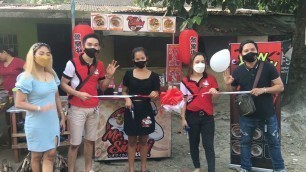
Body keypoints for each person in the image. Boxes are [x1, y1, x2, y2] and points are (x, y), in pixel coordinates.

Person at [223, 40, 285, 172]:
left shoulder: (268, 67)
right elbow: (232, 93)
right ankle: (245, 168)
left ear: (257, 51)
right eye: (246, 51)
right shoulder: (238, 71)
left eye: (252, 49)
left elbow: (280, 87)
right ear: (241, 54)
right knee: (245, 143)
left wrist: (263, 90)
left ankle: (279, 169)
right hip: (247, 116)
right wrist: (228, 84)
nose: (249, 52)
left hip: (267, 115)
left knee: (273, 143)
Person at [60, 33, 119, 172]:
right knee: (75, 144)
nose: (93, 47)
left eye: (96, 45)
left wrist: (109, 76)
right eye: (89, 44)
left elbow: (102, 87)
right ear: (83, 46)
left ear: (99, 48)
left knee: (90, 141)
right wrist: (78, 94)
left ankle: (88, 169)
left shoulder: (100, 64)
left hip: (94, 108)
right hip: (77, 108)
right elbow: (63, 84)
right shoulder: (72, 63)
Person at [14, 42, 66, 172]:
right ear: (33, 56)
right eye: (41, 53)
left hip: (52, 121)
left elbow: (57, 97)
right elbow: (19, 103)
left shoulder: (52, 74)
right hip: (36, 122)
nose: (45, 57)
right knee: (36, 156)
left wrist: (62, 115)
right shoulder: (27, 77)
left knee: (50, 155)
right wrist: (39, 108)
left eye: (48, 54)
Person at [180, 52, 220, 172]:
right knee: (193, 143)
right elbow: (184, 101)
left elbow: (216, 98)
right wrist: (183, 118)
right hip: (191, 116)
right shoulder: (185, 81)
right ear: (192, 64)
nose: (200, 64)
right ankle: (197, 167)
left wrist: (215, 93)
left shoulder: (211, 78)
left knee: (208, 145)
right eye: (197, 62)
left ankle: (211, 169)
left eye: (202, 61)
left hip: (207, 117)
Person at [122, 47, 160, 172]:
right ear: (133, 60)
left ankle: (144, 168)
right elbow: (124, 91)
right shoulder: (128, 74)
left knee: (144, 140)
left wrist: (155, 93)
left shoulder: (154, 76)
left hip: (146, 110)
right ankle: (131, 169)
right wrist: (127, 99)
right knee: (132, 141)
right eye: (137, 59)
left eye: (142, 58)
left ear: (147, 58)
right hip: (131, 110)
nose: (140, 60)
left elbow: (157, 93)